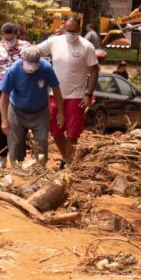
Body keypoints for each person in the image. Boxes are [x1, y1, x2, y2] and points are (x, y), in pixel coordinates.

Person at [37, 17, 99, 168]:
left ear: (80, 30)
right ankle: (68, 159)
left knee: (72, 133)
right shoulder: (55, 41)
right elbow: (36, 50)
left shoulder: (86, 46)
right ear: (63, 28)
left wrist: (89, 94)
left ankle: (69, 165)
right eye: (67, 30)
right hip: (55, 95)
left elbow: (95, 70)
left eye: (73, 31)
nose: (70, 34)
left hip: (76, 97)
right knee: (56, 132)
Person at [0, 45, 63, 167]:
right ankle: (17, 171)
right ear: (22, 59)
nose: (31, 69)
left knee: (42, 142)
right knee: (16, 144)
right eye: (29, 65)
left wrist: (60, 112)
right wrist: (4, 119)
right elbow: (4, 96)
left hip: (40, 112)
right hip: (17, 111)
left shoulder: (46, 68)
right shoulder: (13, 70)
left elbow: (56, 90)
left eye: (34, 65)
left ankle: (39, 170)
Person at [0, 22, 29, 168]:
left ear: (16, 35)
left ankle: (18, 158)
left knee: (18, 122)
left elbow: (31, 67)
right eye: (6, 39)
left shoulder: (26, 46)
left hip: (18, 88)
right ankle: (2, 157)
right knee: (1, 122)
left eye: (11, 39)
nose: (8, 42)